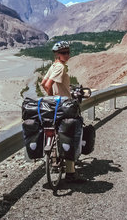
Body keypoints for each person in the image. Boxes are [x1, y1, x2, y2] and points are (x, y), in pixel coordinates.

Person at [40, 41, 85, 183]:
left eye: (68, 52)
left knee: (56, 131)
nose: (67, 55)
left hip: (54, 106)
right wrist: (55, 97)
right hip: (64, 105)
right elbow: (47, 85)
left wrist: (50, 98)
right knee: (71, 133)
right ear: (57, 54)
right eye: (64, 53)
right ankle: (71, 173)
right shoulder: (60, 67)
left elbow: (42, 83)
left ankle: (54, 161)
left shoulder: (53, 66)